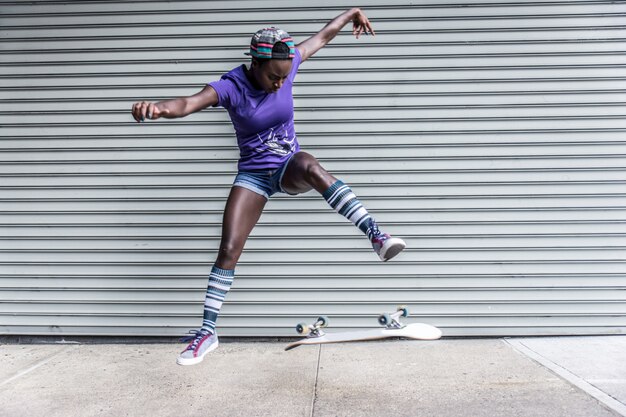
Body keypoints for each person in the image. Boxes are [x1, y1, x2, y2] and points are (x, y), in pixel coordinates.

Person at [131, 8, 406, 366]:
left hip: (287, 167)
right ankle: (207, 332)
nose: (281, 83)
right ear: (256, 66)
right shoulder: (231, 86)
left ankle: (376, 235)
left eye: (284, 76)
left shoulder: (287, 63)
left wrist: (351, 12)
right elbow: (187, 103)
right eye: (274, 78)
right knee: (229, 248)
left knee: (311, 165)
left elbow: (322, 36)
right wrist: (156, 109)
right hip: (254, 176)